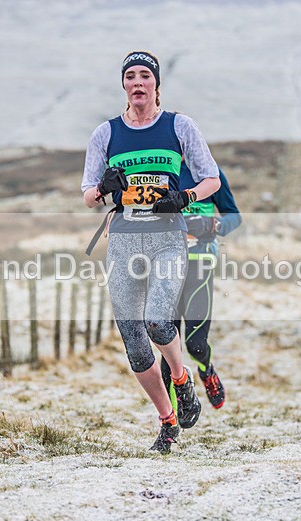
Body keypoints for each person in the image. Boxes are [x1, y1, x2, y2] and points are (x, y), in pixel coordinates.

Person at [81, 51, 221, 453]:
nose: (138, 82)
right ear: (123, 85)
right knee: (134, 340)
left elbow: (211, 178)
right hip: (124, 239)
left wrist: (185, 196)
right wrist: (104, 187)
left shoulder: (179, 126)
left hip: (167, 237)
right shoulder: (105, 134)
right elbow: (88, 195)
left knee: (158, 321)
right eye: (130, 76)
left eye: (145, 75)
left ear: (156, 84)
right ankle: (167, 421)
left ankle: (181, 378)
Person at [160, 164, 241, 413]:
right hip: (164, 264)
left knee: (195, 344)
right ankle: (172, 417)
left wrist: (212, 224)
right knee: (168, 345)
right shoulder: (160, 168)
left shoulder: (208, 171)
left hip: (200, 262)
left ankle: (206, 370)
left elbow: (234, 216)